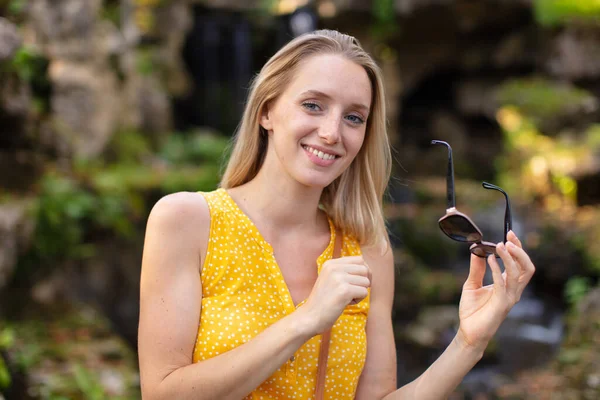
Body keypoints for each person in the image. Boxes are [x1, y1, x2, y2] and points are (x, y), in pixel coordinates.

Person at [137, 29, 536, 399]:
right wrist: (306, 320)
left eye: (353, 118)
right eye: (313, 105)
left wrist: (468, 343)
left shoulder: (367, 251)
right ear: (266, 112)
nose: (331, 132)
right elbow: (162, 393)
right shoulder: (186, 221)